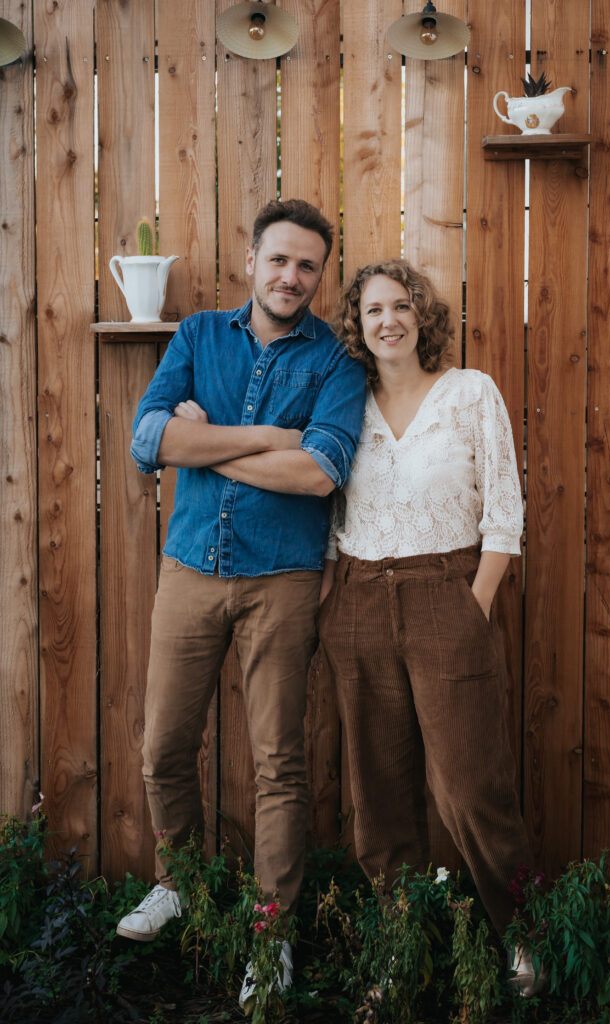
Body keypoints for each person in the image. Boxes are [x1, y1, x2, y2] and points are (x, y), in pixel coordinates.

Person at [116, 200, 367, 1001]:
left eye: (306, 267)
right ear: (251, 258)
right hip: (190, 568)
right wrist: (267, 438)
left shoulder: (335, 364)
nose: (290, 277)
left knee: (278, 765)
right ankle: (177, 880)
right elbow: (149, 440)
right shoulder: (194, 337)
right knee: (161, 746)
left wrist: (212, 440)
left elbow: (319, 473)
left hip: (282, 582)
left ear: (317, 276)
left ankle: (272, 932)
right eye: (279, 260)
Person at [317, 259, 545, 997]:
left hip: (447, 592)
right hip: (356, 599)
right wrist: (331, 605)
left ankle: (525, 939)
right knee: (377, 793)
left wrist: (469, 607)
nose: (387, 320)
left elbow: (503, 518)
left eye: (400, 305)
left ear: (422, 315)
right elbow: (325, 514)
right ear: (356, 325)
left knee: (473, 785)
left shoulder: (469, 393)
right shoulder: (342, 405)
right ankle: (398, 942)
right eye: (372, 310)